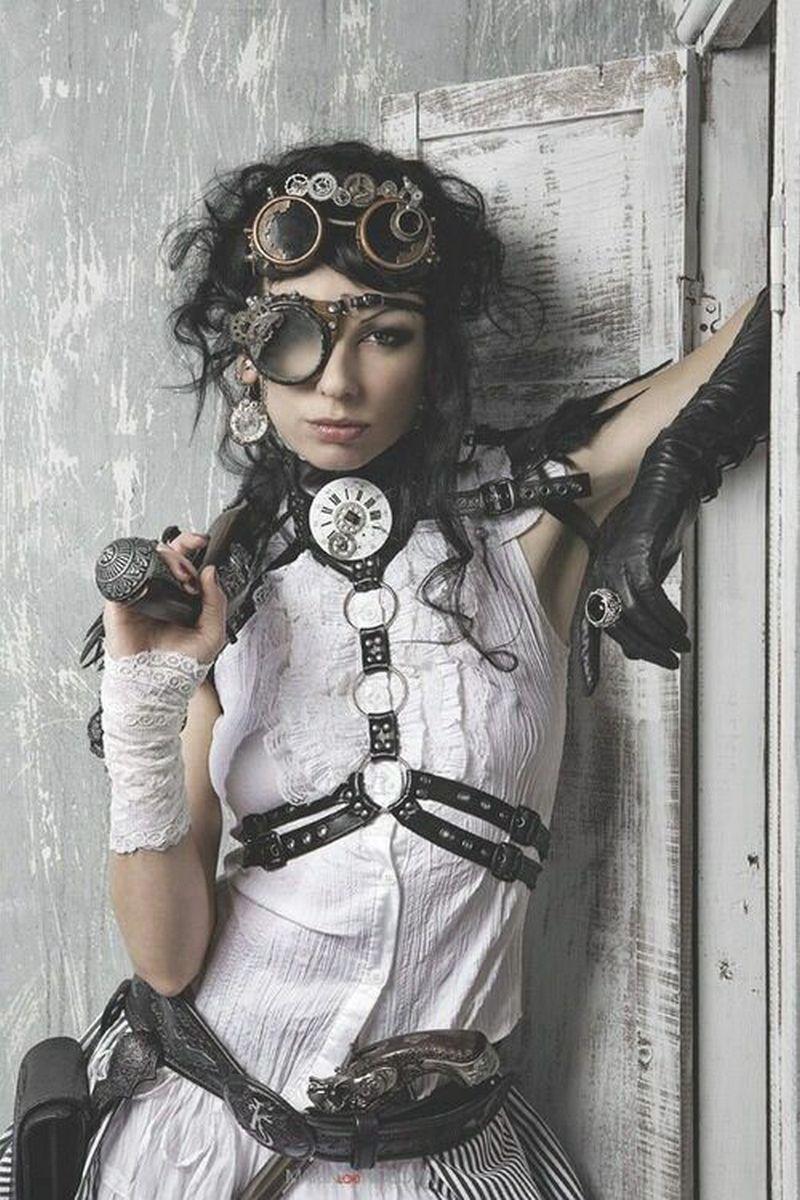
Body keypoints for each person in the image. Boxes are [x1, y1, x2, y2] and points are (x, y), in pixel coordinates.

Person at [0, 138, 769, 1200]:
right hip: (198, 1140)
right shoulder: (211, 591)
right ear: (245, 361)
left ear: (432, 354)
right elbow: (167, 959)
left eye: (386, 334)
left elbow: (767, 325)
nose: (338, 381)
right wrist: (143, 700)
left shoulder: (528, 516)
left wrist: (673, 474)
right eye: (294, 335)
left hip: (442, 1160)